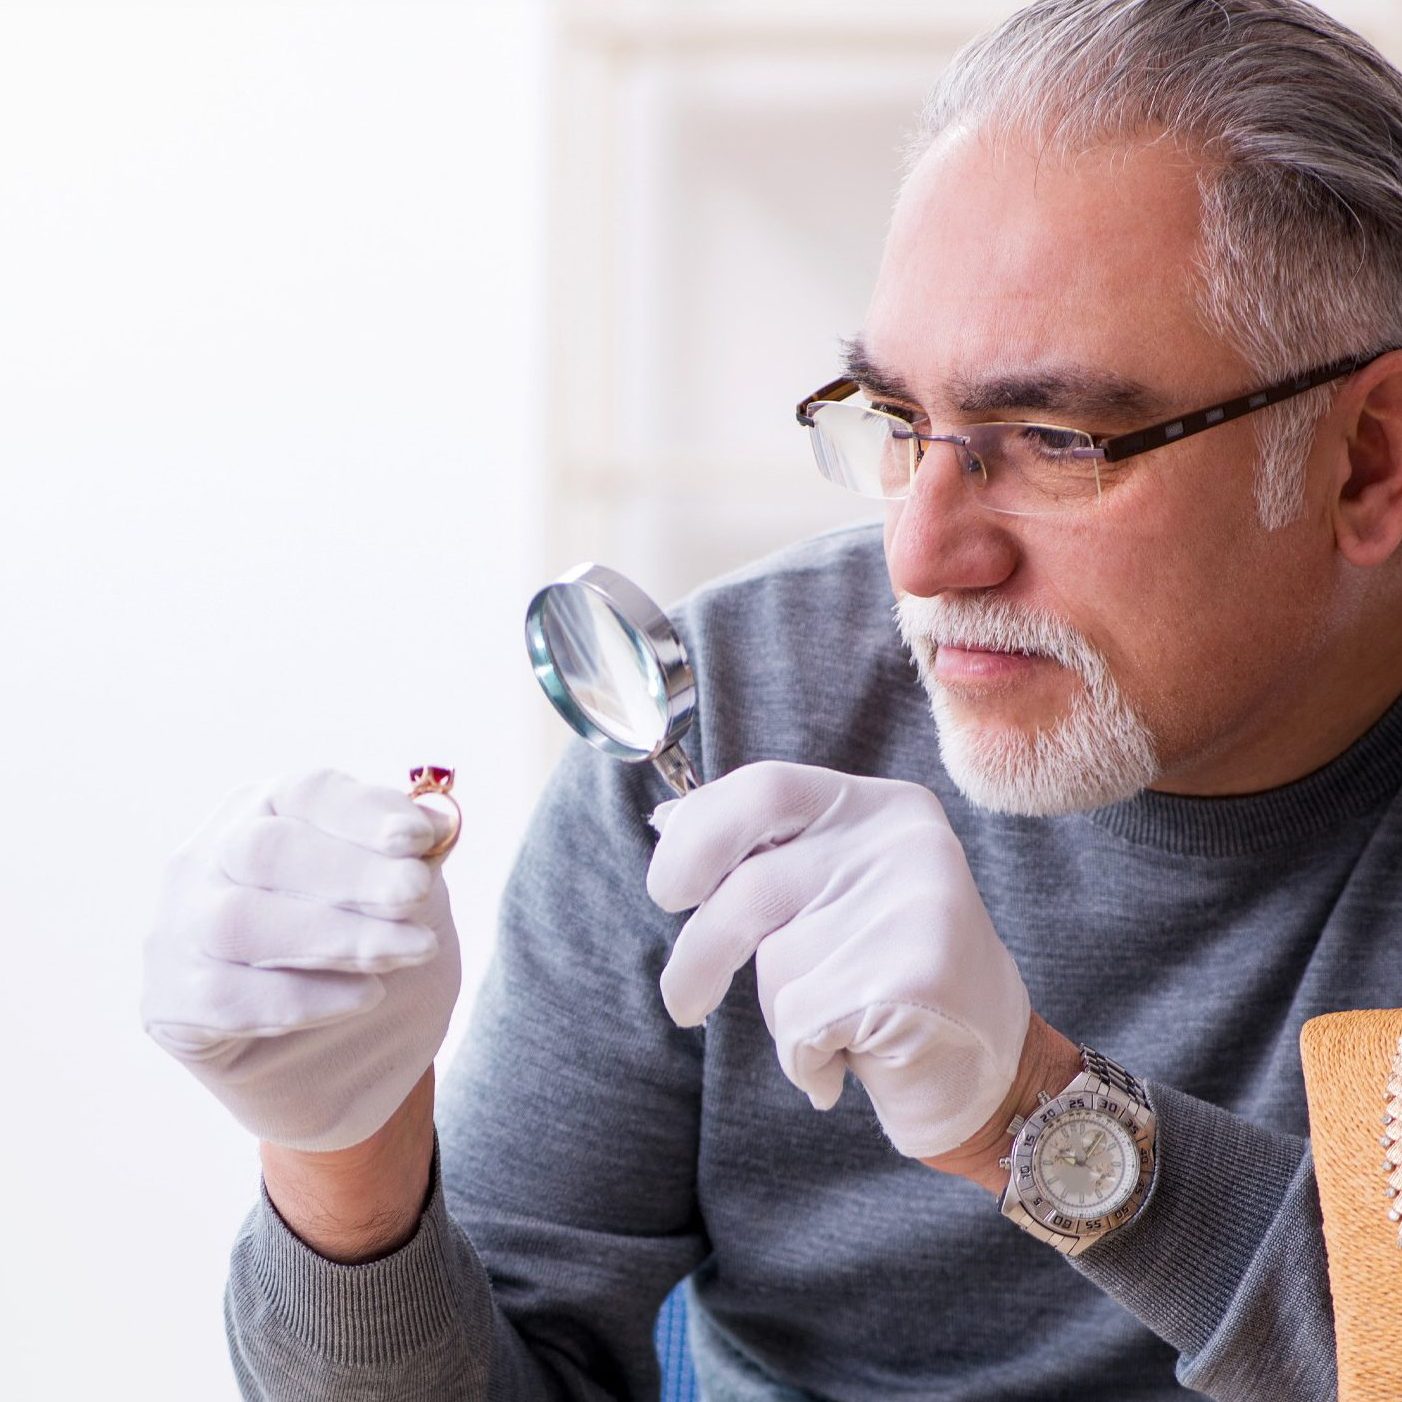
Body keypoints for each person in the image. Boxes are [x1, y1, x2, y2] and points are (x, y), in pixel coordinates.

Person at [141, 0, 1402, 1396]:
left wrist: (1032, 1115)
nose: (919, 555)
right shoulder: (719, 720)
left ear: (1364, 460)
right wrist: (344, 1156)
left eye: (1054, 441)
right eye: (894, 424)